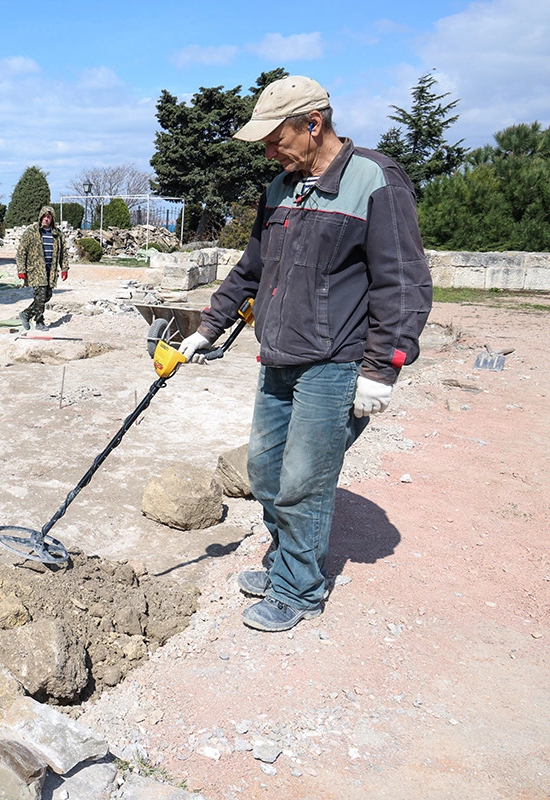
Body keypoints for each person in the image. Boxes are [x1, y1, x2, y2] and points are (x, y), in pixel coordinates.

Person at [177, 76, 432, 632]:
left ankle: (298, 589)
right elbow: (251, 269)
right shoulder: (280, 188)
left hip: (338, 361)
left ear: (313, 123)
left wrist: (382, 370)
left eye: (275, 139)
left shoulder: (375, 181)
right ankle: (284, 558)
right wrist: (206, 328)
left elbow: (404, 283)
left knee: (304, 480)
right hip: (280, 354)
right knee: (266, 472)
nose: (269, 152)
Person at [15, 205, 68, 331]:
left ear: (52, 219)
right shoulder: (31, 232)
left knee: (47, 296)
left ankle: (26, 314)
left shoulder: (57, 234)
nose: (46, 219)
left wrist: (64, 268)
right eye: (44, 216)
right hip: (36, 270)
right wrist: (21, 270)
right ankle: (39, 321)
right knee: (40, 295)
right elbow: (21, 252)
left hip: (51, 271)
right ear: (40, 217)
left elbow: (63, 253)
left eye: (49, 217)